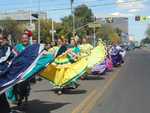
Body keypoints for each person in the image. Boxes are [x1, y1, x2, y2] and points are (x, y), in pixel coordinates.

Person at [0, 34, 14, 113]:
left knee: (2, 95)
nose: (0, 41)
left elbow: (17, 57)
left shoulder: (8, 48)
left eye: (1, 39)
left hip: (3, 75)